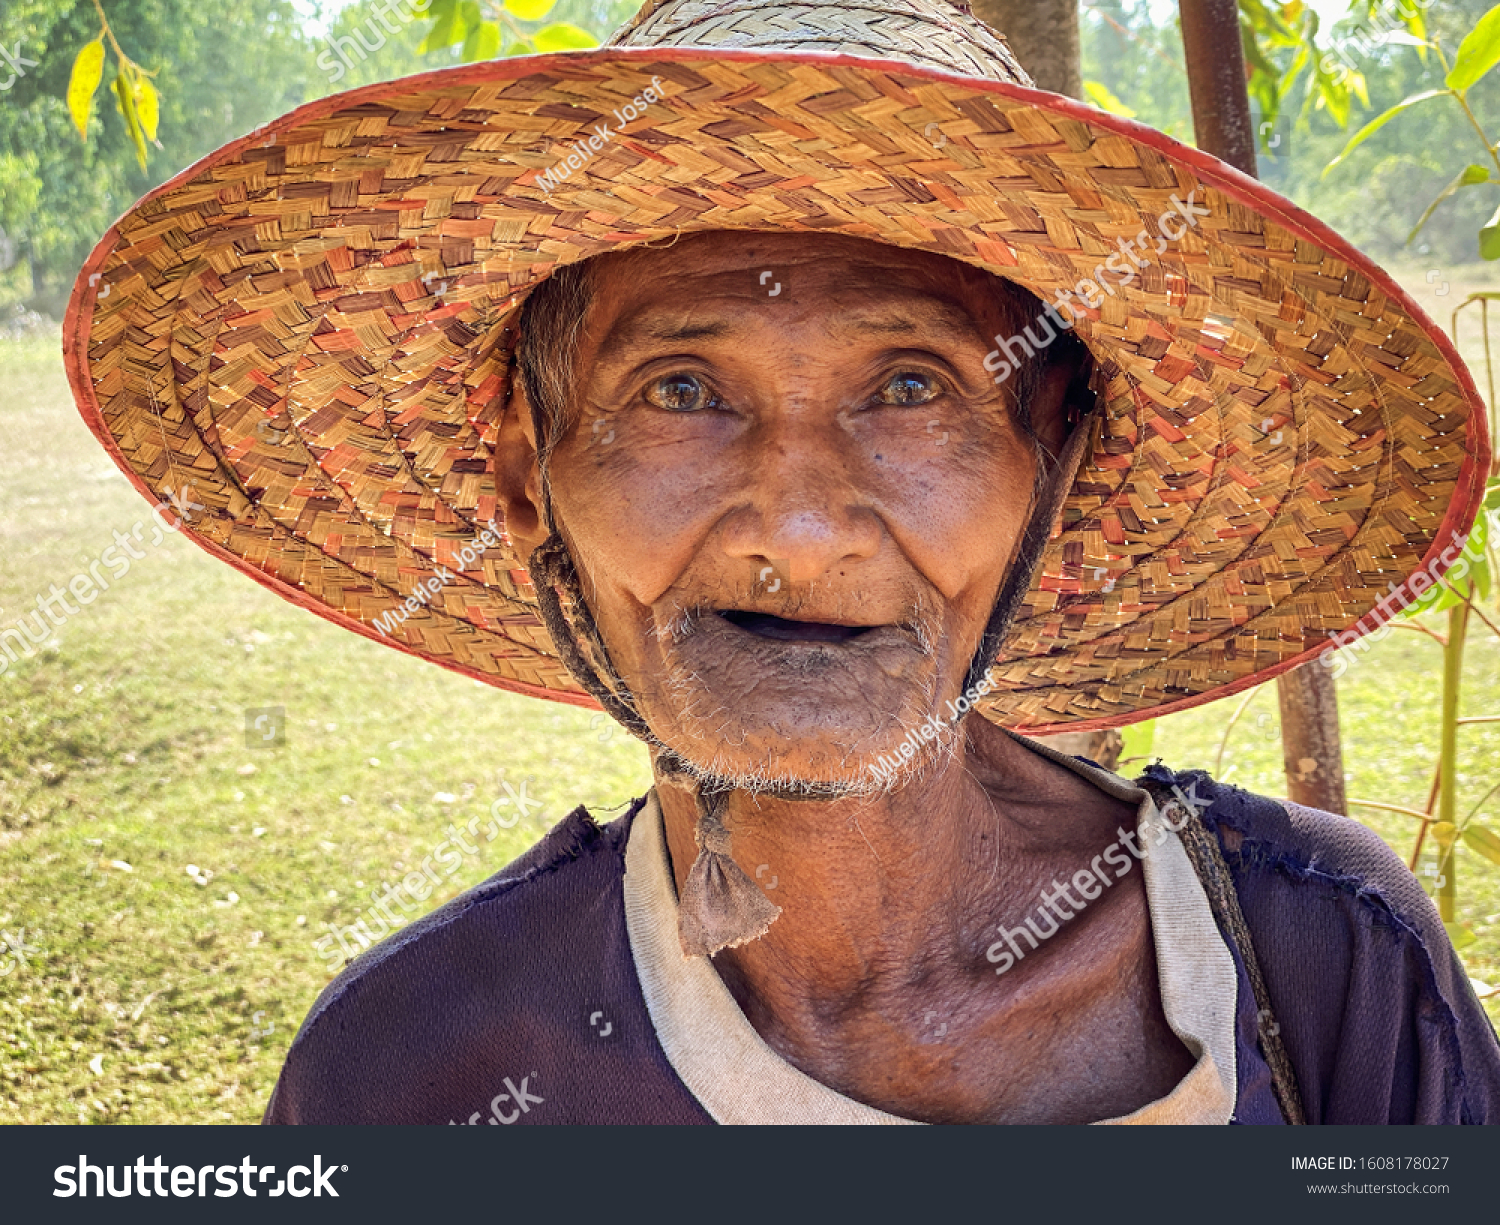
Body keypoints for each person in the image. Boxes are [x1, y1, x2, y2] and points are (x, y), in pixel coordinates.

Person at [65, 0, 1500, 1124]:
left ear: (1052, 463)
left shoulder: (1325, 967)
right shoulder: (409, 1072)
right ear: (526, 474)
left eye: (914, 388)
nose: (799, 527)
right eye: (681, 389)